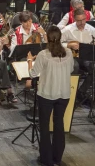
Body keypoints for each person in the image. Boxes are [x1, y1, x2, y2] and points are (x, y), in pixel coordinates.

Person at [28, 26, 74, 166]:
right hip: (64, 94)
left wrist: (30, 61)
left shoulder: (43, 54)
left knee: (44, 126)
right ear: (60, 38)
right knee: (59, 125)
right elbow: (71, 69)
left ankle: (46, 159)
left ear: (47, 38)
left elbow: (33, 74)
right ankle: (57, 158)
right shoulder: (68, 53)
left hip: (47, 94)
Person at [61, 8, 95, 100]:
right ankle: (69, 91)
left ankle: (81, 92)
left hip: (86, 56)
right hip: (71, 56)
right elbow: (56, 43)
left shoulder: (91, 29)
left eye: (83, 20)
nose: (82, 23)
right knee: (75, 66)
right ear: (74, 19)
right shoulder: (67, 29)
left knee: (94, 68)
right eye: (79, 21)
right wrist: (69, 45)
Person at [9, 11, 47, 89]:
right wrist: (24, 46)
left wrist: (44, 33)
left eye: (30, 21)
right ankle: (29, 80)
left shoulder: (38, 28)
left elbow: (46, 44)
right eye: (25, 22)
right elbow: (13, 49)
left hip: (38, 54)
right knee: (25, 60)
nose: (28, 24)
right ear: (21, 22)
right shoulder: (16, 32)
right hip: (23, 56)